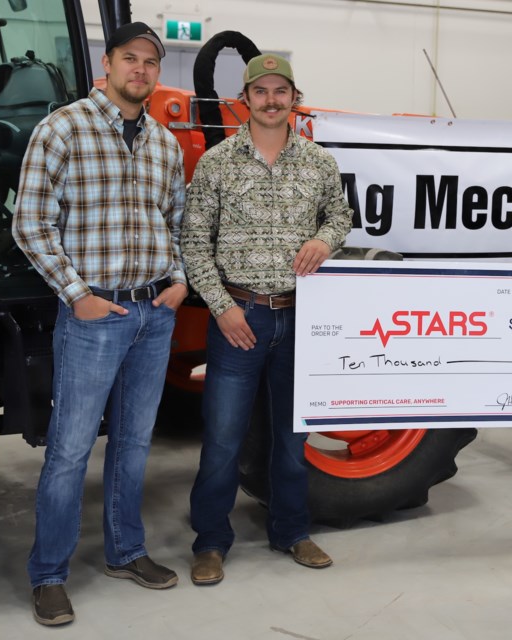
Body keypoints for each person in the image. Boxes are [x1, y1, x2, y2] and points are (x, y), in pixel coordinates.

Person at [12, 23, 187, 626]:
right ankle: (50, 574)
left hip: (153, 314)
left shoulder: (164, 143)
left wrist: (180, 280)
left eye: (150, 63)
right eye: (129, 58)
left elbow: (177, 222)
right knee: (69, 450)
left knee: (135, 444)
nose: (140, 70)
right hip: (95, 315)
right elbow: (30, 222)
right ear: (107, 64)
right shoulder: (63, 127)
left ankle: (126, 550)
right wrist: (77, 295)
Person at [181, 54, 353, 586]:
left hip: (301, 319)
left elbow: (340, 213)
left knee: (292, 437)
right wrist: (223, 306)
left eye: (282, 91)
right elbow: (193, 242)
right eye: (262, 92)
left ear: (293, 98)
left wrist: (326, 239)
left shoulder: (319, 162)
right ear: (246, 99)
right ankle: (210, 542)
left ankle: (292, 531)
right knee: (223, 440)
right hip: (240, 319)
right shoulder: (217, 162)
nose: (272, 100)